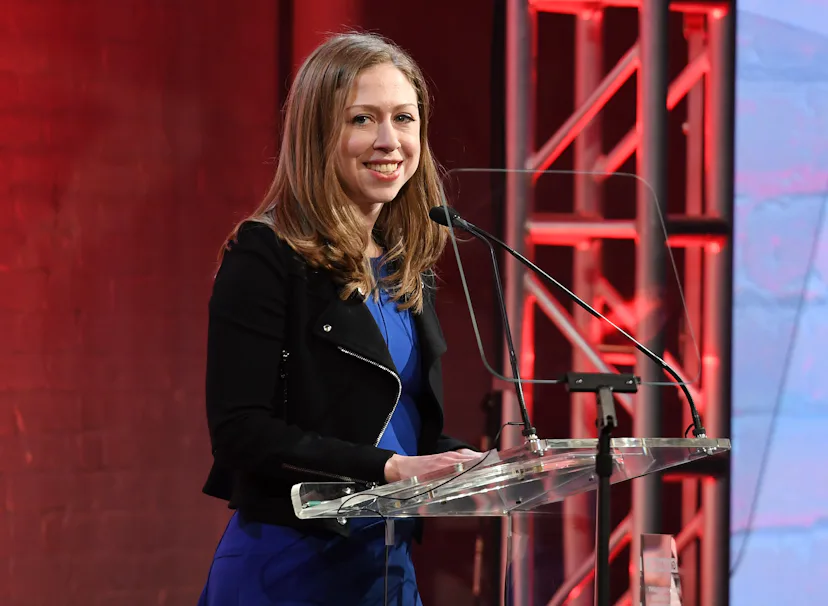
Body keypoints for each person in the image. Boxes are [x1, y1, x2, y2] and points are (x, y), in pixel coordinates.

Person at [197, 32, 480, 606]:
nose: (389, 141)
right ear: (318, 133)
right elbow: (240, 432)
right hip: (291, 568)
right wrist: (393, 468)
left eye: (404, 118)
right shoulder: (266, 255)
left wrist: (476, 465)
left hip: (387, 567)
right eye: (362, 119)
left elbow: (394, 423)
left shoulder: (405, 263)